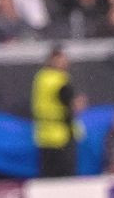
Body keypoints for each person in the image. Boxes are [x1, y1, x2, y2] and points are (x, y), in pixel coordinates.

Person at [32, 45, 82, 177]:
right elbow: (69, 103)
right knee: (64, 178)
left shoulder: (41, 78)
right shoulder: (59, 80)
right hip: (61, 136)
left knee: (48, 176)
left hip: (44, 136)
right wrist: (77, 104)